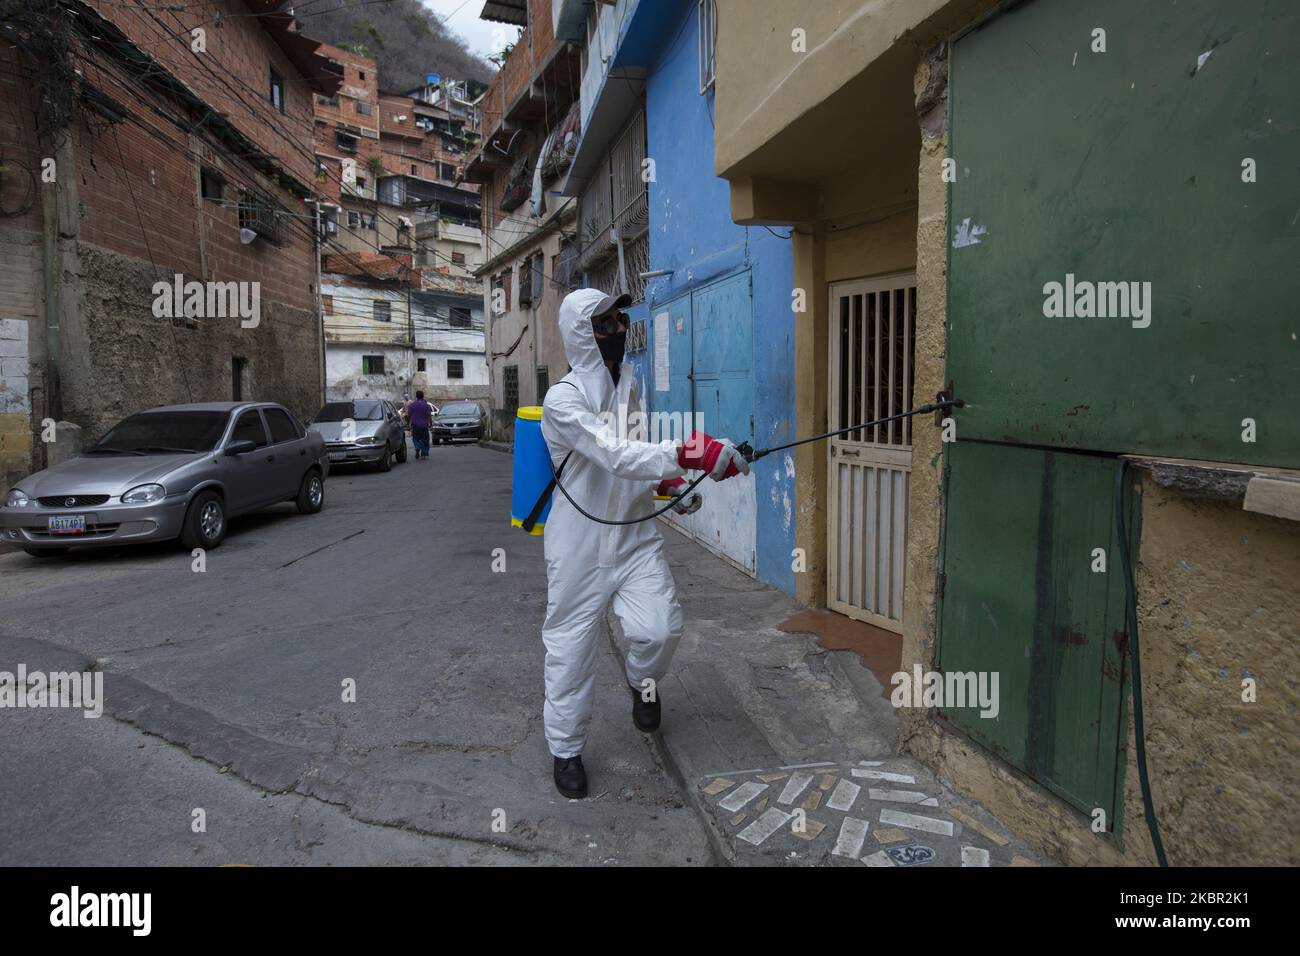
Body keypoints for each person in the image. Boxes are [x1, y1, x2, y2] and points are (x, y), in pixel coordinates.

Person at [540, 288, 749, 799]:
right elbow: (611, 452)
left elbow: (635, 459)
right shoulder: (563, 400)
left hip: (634, 536)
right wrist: (692, 452)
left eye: (620, 320)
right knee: (570, 649)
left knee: (661, 629)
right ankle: (565, 749)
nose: (617, 331)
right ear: (582, 335)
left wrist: (670, 486)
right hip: (579, 547)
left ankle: (642, 684)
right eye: (605, 323)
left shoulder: (628, 389)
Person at [407, 390, 433, 460]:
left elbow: (409, 416)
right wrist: (431, 424)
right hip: (424, 425)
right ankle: (423, 454)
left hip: (415, 425)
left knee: (415, 438)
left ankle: (417, 447)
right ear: (423, 396)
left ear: (416, 396)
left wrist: (408, 425)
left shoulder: (412, 405)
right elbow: (429, 416)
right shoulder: (426, 405)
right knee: (425, 439)